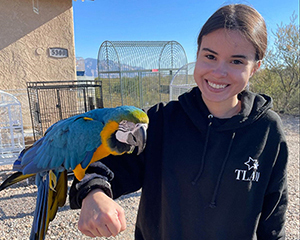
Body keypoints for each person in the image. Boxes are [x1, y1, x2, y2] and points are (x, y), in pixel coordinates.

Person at [69, 4, 288, 239]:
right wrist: (94, 194)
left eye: (236, 61)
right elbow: (104, 165)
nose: (218, 72)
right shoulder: (159, 121)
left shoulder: (267, 130)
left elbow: (273, 220)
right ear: (197, 55)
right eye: (210, 56)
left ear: (255, 67)